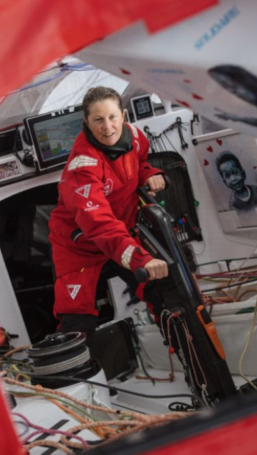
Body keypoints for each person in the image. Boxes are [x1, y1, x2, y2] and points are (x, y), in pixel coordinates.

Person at [48, 86, 168, 340]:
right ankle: (74, 376)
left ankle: (190, 362)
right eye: (98, 120)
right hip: (80, 247)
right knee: (77, 320)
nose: (107, 127)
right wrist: (140, 260)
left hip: (122, 234)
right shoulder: (82, 167)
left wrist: (149, 174)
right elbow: (99, 224)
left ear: (123, 115)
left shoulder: (135, 137)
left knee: (165, 292)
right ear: (86, 122)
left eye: (112, 117)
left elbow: (141, 162)